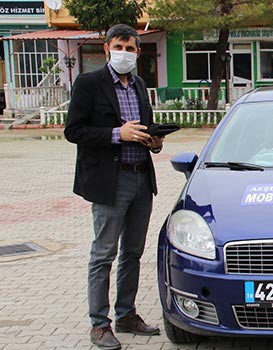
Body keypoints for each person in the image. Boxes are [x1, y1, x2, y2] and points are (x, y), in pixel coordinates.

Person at [64, 24, 162, 350]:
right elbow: (74, 131)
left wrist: (154, 141)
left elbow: (144, 128)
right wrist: (117, 134)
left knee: (133, 252)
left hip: (140, 179)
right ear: (107, 49)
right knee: (104, 253)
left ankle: (127, 314)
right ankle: (99, 323)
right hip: (111, 181)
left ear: (137, 52)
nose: (125, 53)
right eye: (119, 46)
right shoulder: (89, 83)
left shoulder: (139, 85)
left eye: (131, 48)